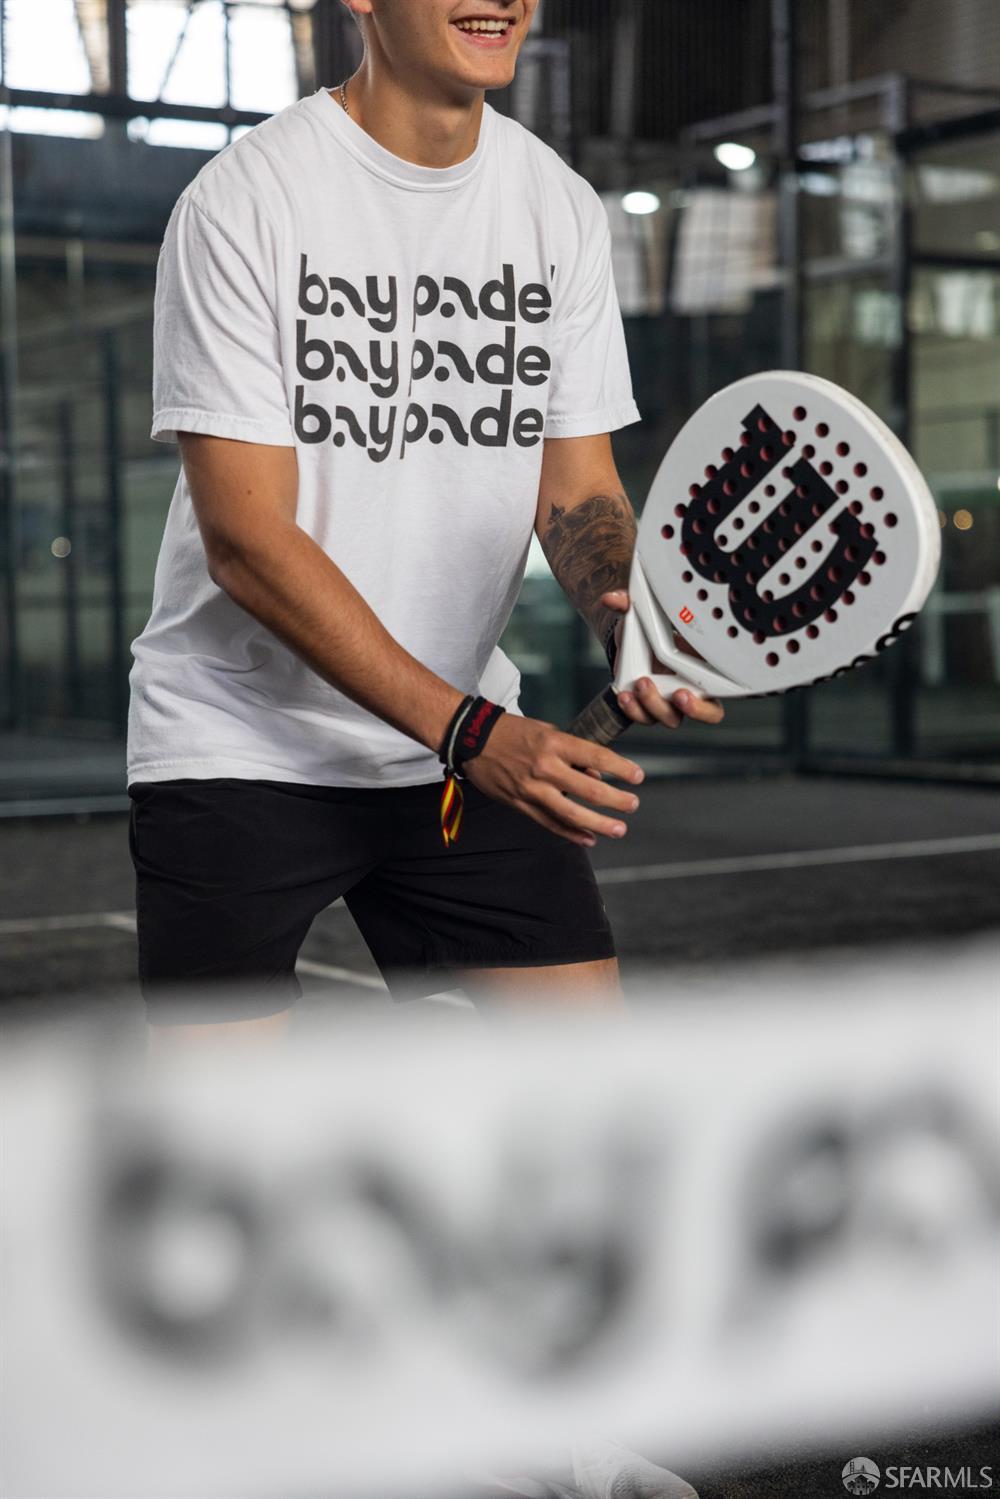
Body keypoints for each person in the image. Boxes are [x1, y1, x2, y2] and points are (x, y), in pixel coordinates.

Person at [127, 0, 724, 1048]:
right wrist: (469, 731)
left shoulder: (558, 208)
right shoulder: (246, 201)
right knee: (219, 1152)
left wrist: (628, 618)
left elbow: (577, 488)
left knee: (584, 1098)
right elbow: (245, 541)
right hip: (241, 743)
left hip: (456, 746)